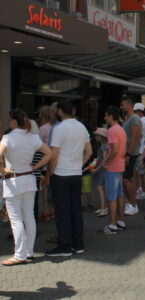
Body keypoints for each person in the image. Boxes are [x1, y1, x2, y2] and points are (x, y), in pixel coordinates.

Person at [0, 109, 52, 265]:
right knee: (29, 217)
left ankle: (20, 254)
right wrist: (36, 167)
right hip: (29, 179)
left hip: (13, 181)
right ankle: (28, 251)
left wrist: (2, 170)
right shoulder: (33, 137)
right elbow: (49, 154)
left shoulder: (8, 137)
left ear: (14, 121)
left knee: (16, 219)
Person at [46, 100, 92, 257]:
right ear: (72, 111)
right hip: (76, 174)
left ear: (59, 111)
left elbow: (54, 155)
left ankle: (64, 245)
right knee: (75, 210)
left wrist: (49, 173)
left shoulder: (59, 129)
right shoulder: (81, 127)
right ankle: (78, 244)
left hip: (61, 174)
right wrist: (78, 164)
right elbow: (89, 151)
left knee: (62, 212)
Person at [98, 106, 127, 235]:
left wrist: (106, 161)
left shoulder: (112, 130)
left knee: (111, 196)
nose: (105, 118)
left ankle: (112, 224)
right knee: (119, 195)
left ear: (111, 116)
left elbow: (114, 150)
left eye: (106, 115)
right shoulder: (121, 129)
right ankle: (120, 221)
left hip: (113, 167)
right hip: (120, 165)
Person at [120, 97, 142, 216]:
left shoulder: (134, 118)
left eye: (123, 105)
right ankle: (131, 203)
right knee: (127, 179)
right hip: (128, 153)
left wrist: (128, 154)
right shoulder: (128, 118)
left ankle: (133, 205)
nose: (121, 107)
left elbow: (135, 138)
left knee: (127, 179)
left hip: (131, 154)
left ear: (129, 105)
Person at [134, 103, 145, 200]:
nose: (135, 113)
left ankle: (143, 190)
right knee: (141, 172)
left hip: (141, 149)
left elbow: (137, 135)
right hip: (143, 148)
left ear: (140, 111)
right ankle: (143, 190)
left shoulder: (141, 121)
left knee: (139, 172)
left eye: (135, 111)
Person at [92, 128, 108, 217]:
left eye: (97, 136)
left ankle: (103, 208)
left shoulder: (103, 146)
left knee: (100, 188)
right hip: (101, 169)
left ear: (101, 137)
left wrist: (97, 169)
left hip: (102, 170)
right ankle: (103, 207)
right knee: (101, 188)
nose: (95, 137)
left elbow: (104, 159)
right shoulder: (103, 145)